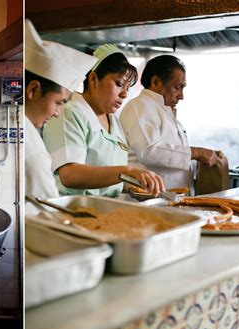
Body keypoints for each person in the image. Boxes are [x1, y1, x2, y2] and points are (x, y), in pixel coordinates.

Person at [43, 44, 165, 197]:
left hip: (107, 207)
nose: (124, 94)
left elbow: (110, 176)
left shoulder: (114, 122)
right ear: (93, 79)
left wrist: (133, 184)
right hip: (74, 210)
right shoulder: (70, 113)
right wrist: (127, 171)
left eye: (128, 88)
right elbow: (70, 175)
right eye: (119, 84)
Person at [119, 55, 216, 191]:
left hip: (167, 201)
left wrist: (200, 161)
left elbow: (174, 159)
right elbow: (150, 151)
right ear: (156, 82)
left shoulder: (164, 111)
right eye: (177, 87)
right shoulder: (140, 106)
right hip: (145, 202)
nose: (181, 96)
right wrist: (197, 152)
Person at [24, 19, 97, 199]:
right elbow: (46, 209)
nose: (57, 113)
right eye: (58, 102)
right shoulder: (32, 150)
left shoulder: (18, 125)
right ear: (33, 89)